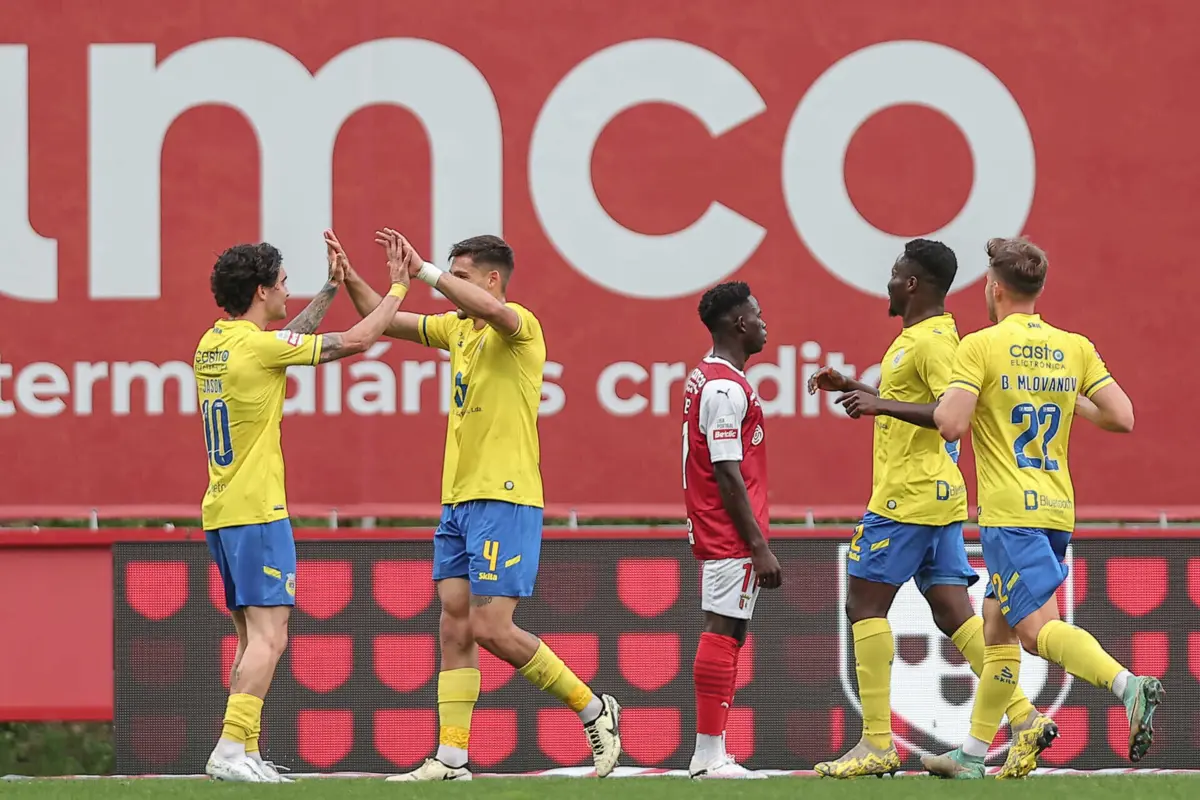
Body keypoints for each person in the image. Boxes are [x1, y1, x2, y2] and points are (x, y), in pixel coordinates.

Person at [338, 230, 622, 781]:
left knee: (492, 627)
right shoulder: (458, 329)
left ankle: (594, 709)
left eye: (461, 277)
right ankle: (452, 757)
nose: (452, 290)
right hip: (458, 499)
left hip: (505, 495)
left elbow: (491, 308)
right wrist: (349, 276)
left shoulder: (520, 325)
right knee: (456, 626)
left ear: (491, 279)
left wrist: (422, 273)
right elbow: (383, 321)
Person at [809, 239, 1054, 780]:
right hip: (936, 498)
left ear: (913, 283)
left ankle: (876, 742)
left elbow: (951, 412)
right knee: (952, 613)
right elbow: (917, 402)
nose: (890, 282)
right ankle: (1025, 717)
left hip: (907, 498)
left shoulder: (935, 343)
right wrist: (856, 387)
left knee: (863, 606)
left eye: (896, 274)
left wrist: (877, 403)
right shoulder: (921, 339)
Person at [924, 237, 1160, 779]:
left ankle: (1129, 686)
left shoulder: (979, 346)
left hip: (1009, 514)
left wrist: (969, 396)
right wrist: (1061, 395)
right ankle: (974, 755)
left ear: (995, 288)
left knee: (1033, 633)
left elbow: (951, 424)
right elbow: (1121, 415)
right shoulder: (1073, 347)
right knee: (997, 627)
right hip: (1056, 508)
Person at [196, 230, 412, 783]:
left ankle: (243, 750)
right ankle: (227, 751)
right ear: (263, 289)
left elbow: (284, 341)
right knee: (271, 637)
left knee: (250, 638)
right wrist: (397, 289)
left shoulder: (215, 343)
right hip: (259, 511)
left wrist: (329, 290)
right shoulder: (257, 347)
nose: (287, 294)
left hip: (222, 512)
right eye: (284, 284)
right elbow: (358, 341)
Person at [682, 281, 781, 779]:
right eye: (757, 315)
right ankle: (708, 754)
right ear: (739, 324)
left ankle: (711, 752)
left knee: (729, 630)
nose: (765, 323)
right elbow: (726, 470)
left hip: (722, 529)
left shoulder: (711, 379)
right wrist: (758, 546)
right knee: (723, 630)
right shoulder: (724, 388)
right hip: (729, 532)